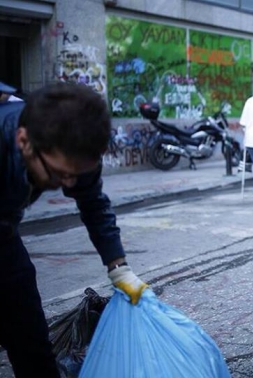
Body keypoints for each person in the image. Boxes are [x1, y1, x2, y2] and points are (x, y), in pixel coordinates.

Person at [0, 83, 147, 378]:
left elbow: (93, 204)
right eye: (59, 173)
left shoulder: (74, 148)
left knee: (28, 328)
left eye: (76, 174)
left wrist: (119, 268)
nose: (69, 185)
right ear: (23, 140)